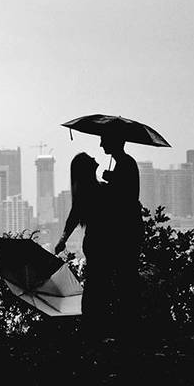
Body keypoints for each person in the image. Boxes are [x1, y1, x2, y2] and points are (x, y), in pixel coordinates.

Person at [54, 152, 110, 335]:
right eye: (90, 158)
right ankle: (94, 323)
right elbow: (74, 216)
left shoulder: (89, 189)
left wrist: (63, 240)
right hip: (99, 242)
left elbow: (73, 217)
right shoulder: (92, 189)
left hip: (94, 241)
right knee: (98, 283)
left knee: (96, 282)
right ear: (87, 167)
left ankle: (92, 322)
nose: (95, 158)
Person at [98, 132, 143, 340]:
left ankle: (129, 326)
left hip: (126, 230)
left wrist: (111, 179)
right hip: (128, 228)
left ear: (114, 142)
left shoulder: (125, 164)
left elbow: (125, 196)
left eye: (104, 140)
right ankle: (128, 324)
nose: (100, 144)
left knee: (126, 277)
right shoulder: (124, 163)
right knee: (126, 276)